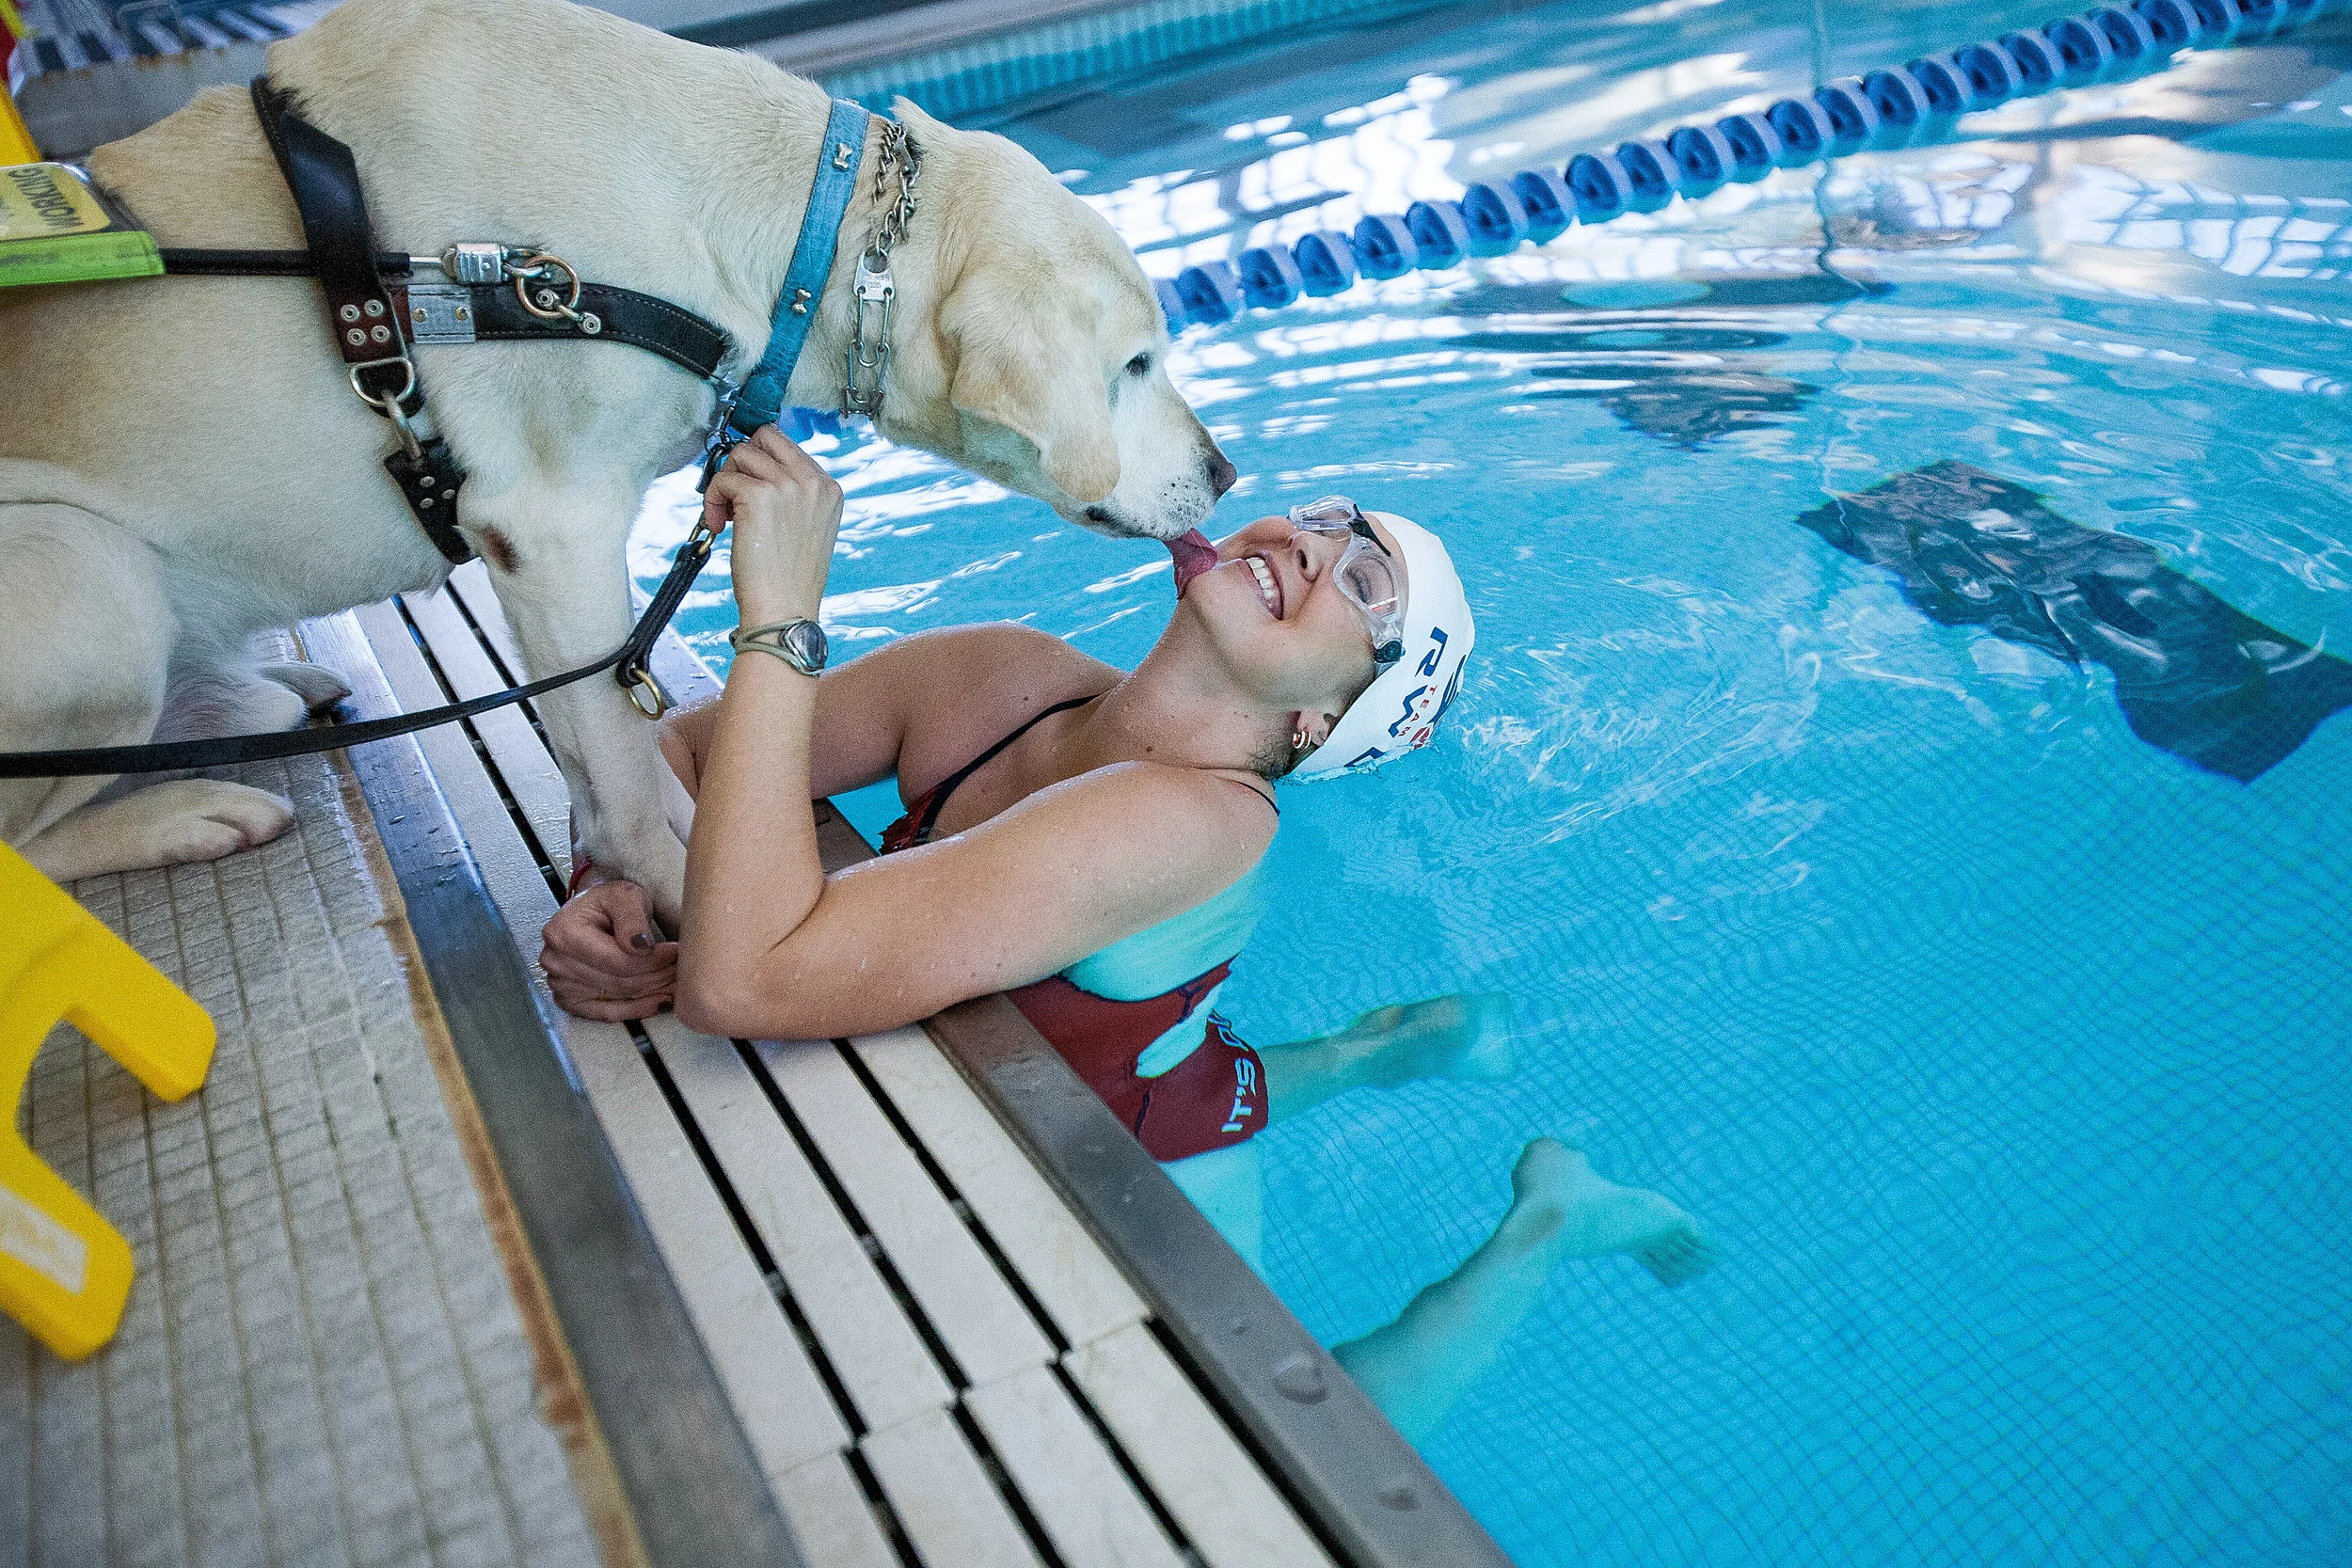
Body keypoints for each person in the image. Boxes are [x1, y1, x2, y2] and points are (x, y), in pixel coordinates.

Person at [542, 426, 1712, 1442]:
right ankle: (1400, 1042)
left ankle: (1548, 1217)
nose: (1310, 540)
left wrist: (782, 618)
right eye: (1323, 521)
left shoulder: (1193, 824)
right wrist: (622, 876)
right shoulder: (1004, 673)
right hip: (1128, 1035)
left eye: (1362, 583)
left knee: (1290, 1446)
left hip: (1154, 1141)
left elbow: (745, 981)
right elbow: (670, 760)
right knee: (1192, 1038)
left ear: (1324, 719)